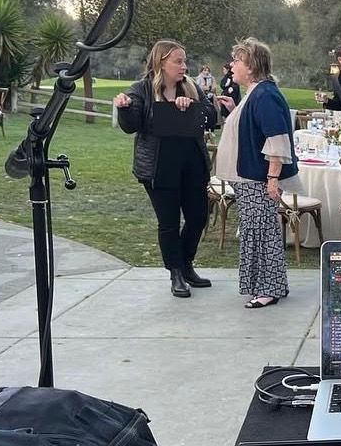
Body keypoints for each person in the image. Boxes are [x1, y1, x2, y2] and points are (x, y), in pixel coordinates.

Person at [115, 39, 217, 299]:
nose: (184, 66)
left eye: (185, 61)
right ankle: (176, 273)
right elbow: (131, 125)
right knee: (169, 223)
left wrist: (191, 107)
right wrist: (124, 107)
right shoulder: (142, 89)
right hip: (159, 166)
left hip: (192, 163)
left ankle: (186, 264)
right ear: (162, 62)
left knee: (197, 217)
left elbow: (211, 118)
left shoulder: (192, 86)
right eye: (178, 61)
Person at [213, 37, 299, 309]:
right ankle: (269, 285)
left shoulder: (265, 94)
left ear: (250, 66)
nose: (232, 66)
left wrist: (273, 178)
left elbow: (276, 139)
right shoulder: (255, 93)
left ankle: (268, 289)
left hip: (258, 179)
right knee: (256, 231)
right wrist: (233, 109)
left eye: (237, 61)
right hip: (248, 178)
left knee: (262, 232)